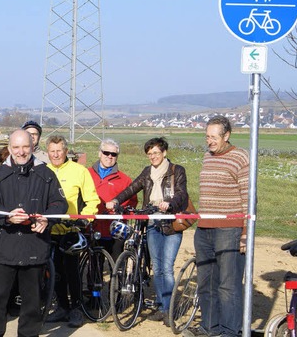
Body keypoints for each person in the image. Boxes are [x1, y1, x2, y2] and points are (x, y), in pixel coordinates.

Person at [0, 129, 67, 337]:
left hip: (34, 247)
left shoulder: (46, 175)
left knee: (32, 303)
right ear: (9, 149)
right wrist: (6, 216)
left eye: (25, 147)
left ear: (33, 146)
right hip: (3, 249)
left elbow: (59, 203)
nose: (21, 152)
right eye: (16, 147)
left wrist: (47, 218)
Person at [106, 137, 188, 326]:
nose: (153, 157)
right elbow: (132, 188)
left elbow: (182, 194)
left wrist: (170, 204)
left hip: (170, 224)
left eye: (156, 153)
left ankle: (168, 309)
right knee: (157, 267)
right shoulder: (147, 172)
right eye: (150, 154)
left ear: (164, 153)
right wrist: (117, 200)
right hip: (152, 223)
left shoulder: (177, 171)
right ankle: (162, 306)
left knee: (167, 267)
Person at [182, 116, 248, 337]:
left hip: (229, 229)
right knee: (206, 283)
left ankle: (229, 331)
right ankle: (210, 328)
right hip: (205, 229)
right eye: (207, 136)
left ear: (226, 136)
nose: (209, 141)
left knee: (228, 286)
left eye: (213, 137)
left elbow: (248, 197)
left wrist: (245, 234)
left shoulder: (240, 157)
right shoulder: (207, 156)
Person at [44, 135, 100, 328]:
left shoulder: (79, 171)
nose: (56, 155)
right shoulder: (43, 171)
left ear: (66, 151)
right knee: (55, 273)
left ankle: (76, 308)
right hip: (49, 229)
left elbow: (92, 200)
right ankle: (62, 307)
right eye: (52, 151)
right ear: (47, 152)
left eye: (59, 150)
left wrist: (84, 218)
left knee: (72, 272)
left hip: (71, 229)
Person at [88, 138, 138, 260]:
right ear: (100, 153)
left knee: (117, 265)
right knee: (94, 265)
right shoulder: (86, 174)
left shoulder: (124, 179)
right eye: (106, 153)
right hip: (92, 227)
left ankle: (117, 278)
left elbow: (132, 202)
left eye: (114, 154)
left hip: (114, 230)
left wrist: (120, 210)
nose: (109, 156)